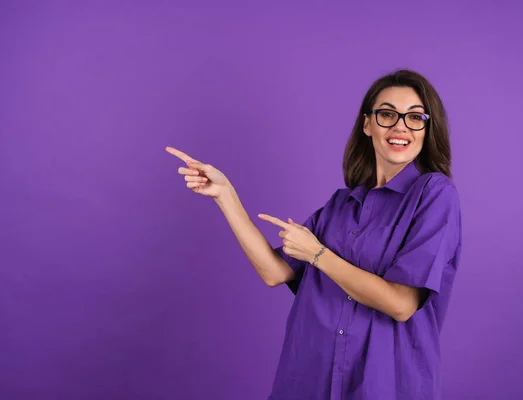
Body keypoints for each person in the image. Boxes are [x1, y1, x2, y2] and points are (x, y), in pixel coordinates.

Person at [166, 69, 461, 400]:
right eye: (387, 114)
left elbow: (401, 304)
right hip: (311, 378)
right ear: (368, 124)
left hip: (384, 384)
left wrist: (318, 255)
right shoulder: (340, 205)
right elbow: (274, 271)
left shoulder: (435, 194)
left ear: (427, 128)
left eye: (415, 117)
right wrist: (225, 195)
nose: (400, 127)